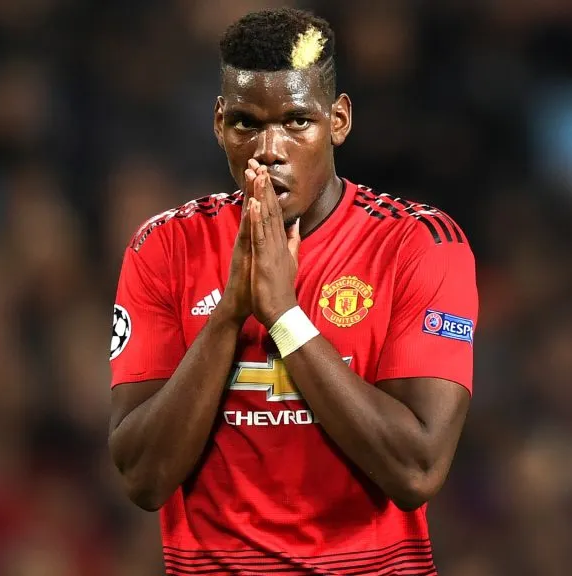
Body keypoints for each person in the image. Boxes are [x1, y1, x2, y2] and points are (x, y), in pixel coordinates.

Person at [108, 8, 476, 575]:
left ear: (339, 119)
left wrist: (283, 314)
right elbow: (142, 478)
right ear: (217, 123)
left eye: (297, 121)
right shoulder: (165, 247)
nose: (268, 149)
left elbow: (416, 470)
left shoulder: (419, 245)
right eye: (245, 123)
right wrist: (230, 314)